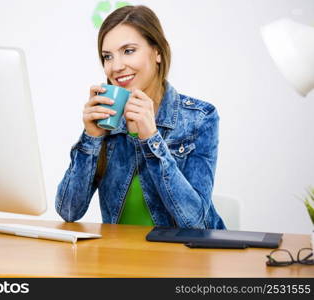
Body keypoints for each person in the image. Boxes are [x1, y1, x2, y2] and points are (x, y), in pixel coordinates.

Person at [55, 5, 225, 229]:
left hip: (185, 259)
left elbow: (194, 222)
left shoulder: (200, 118)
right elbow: (68, 210)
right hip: (123, 258)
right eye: (108, 56)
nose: (116, 67)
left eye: (128, 51)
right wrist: (91, 137)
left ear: (157, 52)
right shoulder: (108, 118)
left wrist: (151, 139)